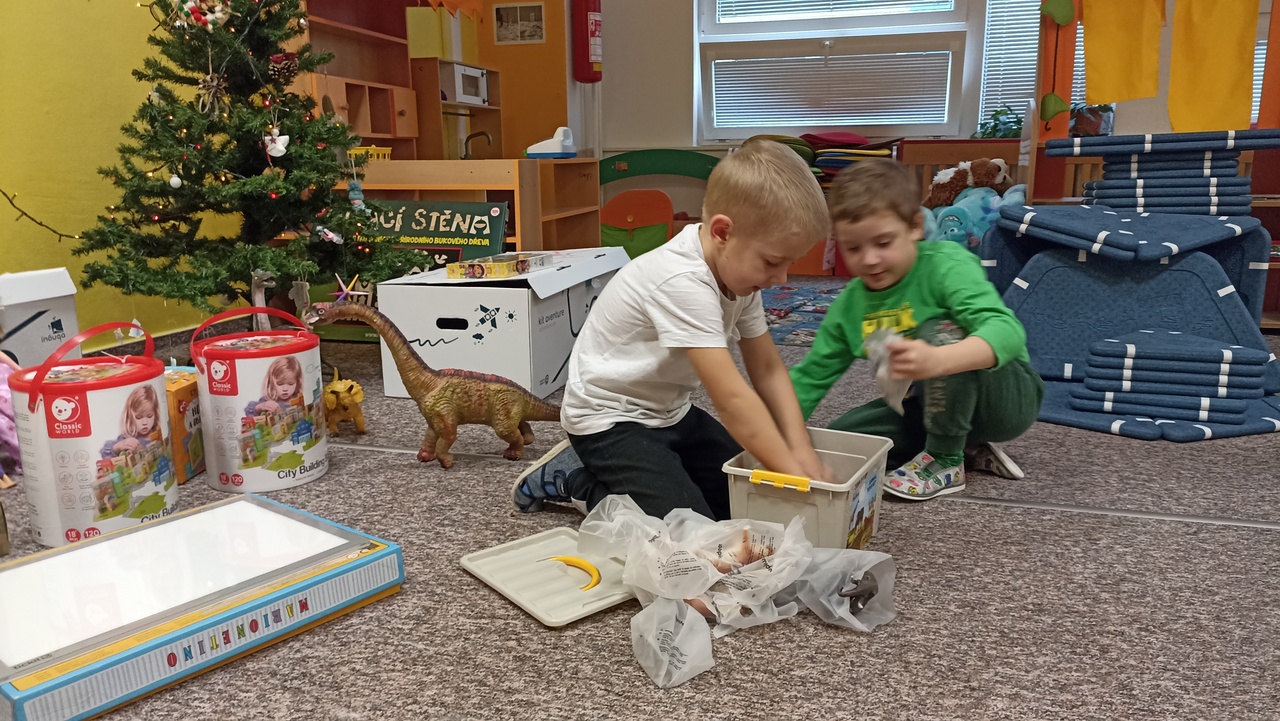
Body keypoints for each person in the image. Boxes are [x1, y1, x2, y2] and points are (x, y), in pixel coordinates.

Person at [513, 139, 835, 521]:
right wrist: (793, 474)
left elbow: (767, 370)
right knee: (688, 532)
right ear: (722, 232)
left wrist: (800, 448)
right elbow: (732, 400)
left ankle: (633, 473)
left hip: (671, 413)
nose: (781, 279)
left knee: (743, 504)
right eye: (772, 262)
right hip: (608, 420)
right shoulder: (681, 280)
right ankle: (575, 479)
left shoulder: (742, 277)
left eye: (788, 264)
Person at [789, 158, 1043, 501]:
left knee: (938, 331)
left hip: (1006, 399)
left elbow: (1008, 332)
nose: (869, 260)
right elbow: (810, 377)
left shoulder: (947, 264)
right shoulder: (851, 304)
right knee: (842, 438)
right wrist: (778, 441)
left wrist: (940, 360)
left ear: (914, 227)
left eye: (883, 243)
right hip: (928, 403)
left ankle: (945, 459)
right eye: (853, 248)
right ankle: (966, 446)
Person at [101, 385, 164, 458]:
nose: (145, 422)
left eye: (149, 416)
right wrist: (120, 446)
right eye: (138, 417)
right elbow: (105, 453)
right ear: (130, 416)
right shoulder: (127, 438)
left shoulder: (158, 434)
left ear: (156, 414)